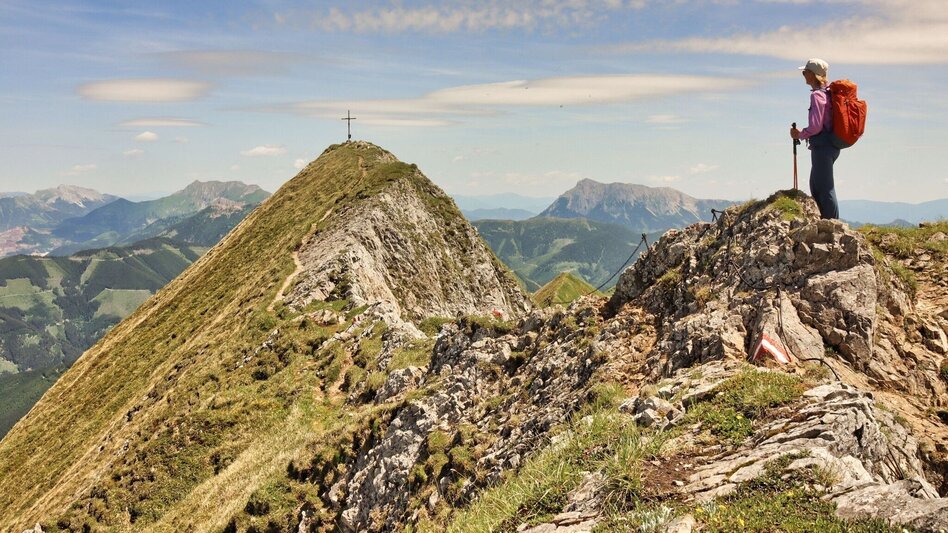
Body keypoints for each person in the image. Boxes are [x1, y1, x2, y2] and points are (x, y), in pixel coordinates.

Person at [790, 58, 839, 219]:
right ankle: (827, 222)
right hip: (829, 145)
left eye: (805, 72)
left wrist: (800, 134)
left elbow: (816, 126)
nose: (803, 75)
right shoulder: (828, 94)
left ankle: (832, 225)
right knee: (817, 186)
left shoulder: (818, 96)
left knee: (823, 188)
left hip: (822, 146)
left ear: (813, 75)